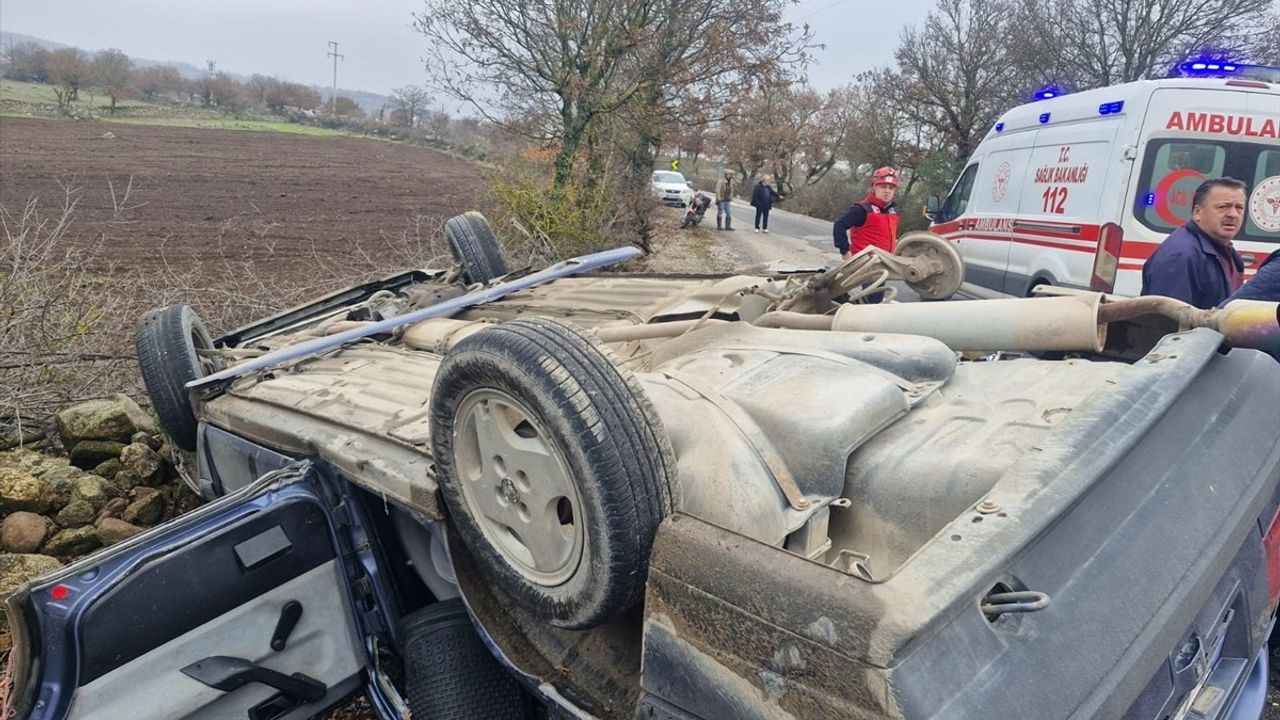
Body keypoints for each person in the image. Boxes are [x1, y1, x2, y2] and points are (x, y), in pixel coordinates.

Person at [1141, 177, 1246, 309]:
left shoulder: (1225, 251)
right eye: (1223, 207)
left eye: (1239, 208)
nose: (1233, 214)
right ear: (1197, 212)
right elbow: (1169, 322)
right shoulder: (1180, 256)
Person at [833, 166, 900, 259]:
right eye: (883, 187)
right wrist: (845, 252)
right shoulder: (862, 209)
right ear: (874, 187)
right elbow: (839, 225)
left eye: (891, 188)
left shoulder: (892, 212)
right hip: (864, 266)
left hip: (885, 264)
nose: (887, 191)